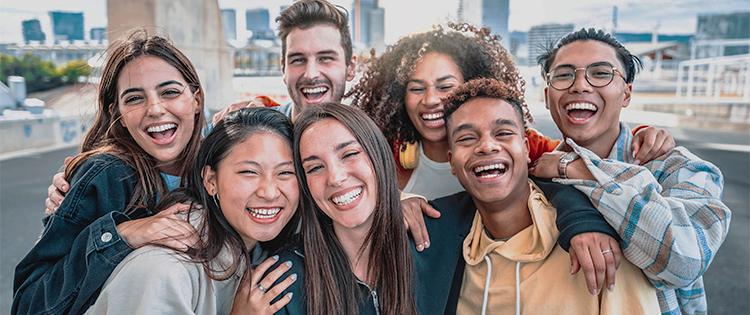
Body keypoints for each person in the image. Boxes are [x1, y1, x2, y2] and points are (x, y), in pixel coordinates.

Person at [46, 0, 355, 213]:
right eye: (298, 59)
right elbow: (169, 154)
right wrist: (84, 186)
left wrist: (404, 200)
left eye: (325, 58)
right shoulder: (243, 130)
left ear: (351, 67)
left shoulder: (366, 139)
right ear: (282, 68)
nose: (311, 73)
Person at [530, 28, 732, 314]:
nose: (580, 85)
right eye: (564, 75)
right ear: (548, 95)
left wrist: (574, 169)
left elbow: (685, 260)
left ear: (626, 93)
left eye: (600, 73)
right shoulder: (532, 173)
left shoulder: (678, 167)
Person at [13, 30, 205, 314]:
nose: (154, 109)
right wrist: (121, 235)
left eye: (170, 92)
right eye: (135, 98)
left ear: (196, 99)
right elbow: (30, 304)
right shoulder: (106, 177)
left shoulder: (222, 164)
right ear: (119, 114)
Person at [440, 77, 660, 314]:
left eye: (503, 133)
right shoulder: (444, 250)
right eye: (466, 138)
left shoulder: (601, 250)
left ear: (526, 149)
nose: (487, 146)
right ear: (452, 161)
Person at [85, 108, 300, 315]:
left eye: (285, 172)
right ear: (210, 180)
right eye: (249, 172)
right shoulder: (165, 269)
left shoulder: (255, 251)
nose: (270, 192)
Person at [271, 102, 417, 315]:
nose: (336, 178)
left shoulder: (437, 238)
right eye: (315, 167)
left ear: (378, 154)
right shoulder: (282, 283)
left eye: (349, 154)